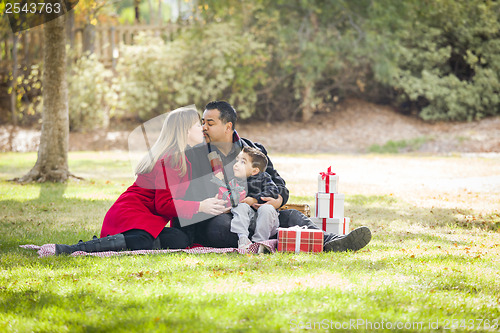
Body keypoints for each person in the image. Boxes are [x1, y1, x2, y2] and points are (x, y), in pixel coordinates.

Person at [183, 101, 372, 252]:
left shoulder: (254, 150)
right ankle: (269, 240)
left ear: (228, 126)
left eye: (210, 123)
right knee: (222, 227)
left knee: (292, 216)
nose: (203, 127)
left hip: (259, 216)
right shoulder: (195, 154)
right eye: (202, 122)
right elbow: (191, 195)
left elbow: (278, 184)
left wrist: (277, 200)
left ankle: (332, 241)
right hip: (224, 218)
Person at [55, 107, 227, 255]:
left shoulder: (182, 159)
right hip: (130, 215)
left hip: (145, 219)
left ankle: (119, 241)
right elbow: (163, 204)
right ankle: (81, 248)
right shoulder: (171, 160)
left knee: (178, 239)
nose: (203, 128)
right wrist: (199, 206)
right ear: (185, 130)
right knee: (145, 240)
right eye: (198, 125)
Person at [229, 147, 280, 250]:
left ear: (255, 170)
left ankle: (259, 242)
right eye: (237, 160)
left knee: (266, 208)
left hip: (268, 221)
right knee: (240, 206)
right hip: (249, 219)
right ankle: (243, 239)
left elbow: (273, 191)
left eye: (242, 162)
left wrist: (254, 199)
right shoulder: (234, 181)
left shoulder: (264, 178)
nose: (236, 164)